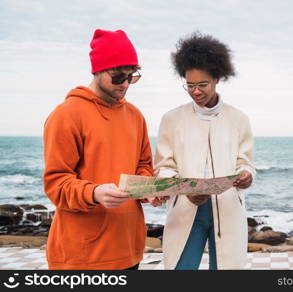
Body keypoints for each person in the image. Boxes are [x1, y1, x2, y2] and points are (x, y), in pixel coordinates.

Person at [43, 29, 161, 270]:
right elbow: (56, 184)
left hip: (129, 248)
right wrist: (94, 193)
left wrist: (148, 189)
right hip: (83, 256)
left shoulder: (135, 116)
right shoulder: (66, 115)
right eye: (118, 77)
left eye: (132, 76)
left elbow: (143, 166)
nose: (126, 84)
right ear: (97, 70)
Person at [154, 32, 255, 270]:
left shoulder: (238, 119)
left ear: (217, 78)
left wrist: (245, 175)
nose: (195, 92)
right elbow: (164, 168)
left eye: (202, 85)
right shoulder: (171, 119)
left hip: (229, 208)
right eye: (189, 85)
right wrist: (186, 190)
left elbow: (245, 161)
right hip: (186, 208)